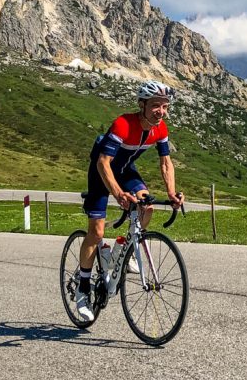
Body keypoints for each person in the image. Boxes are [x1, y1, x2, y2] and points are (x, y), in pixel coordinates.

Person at [75, 79, 184, 321]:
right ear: (142, 104)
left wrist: (172, 193)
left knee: (147, 206)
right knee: (96, 231)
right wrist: (117, 193)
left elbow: (165, 163)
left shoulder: (161, 129)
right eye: (156, 105)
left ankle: (125, 249)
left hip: (125, 169)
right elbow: (103, 162)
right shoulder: (123, 124)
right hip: (102, 172)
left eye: (165, 107)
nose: (161, 112)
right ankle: (83, 288)